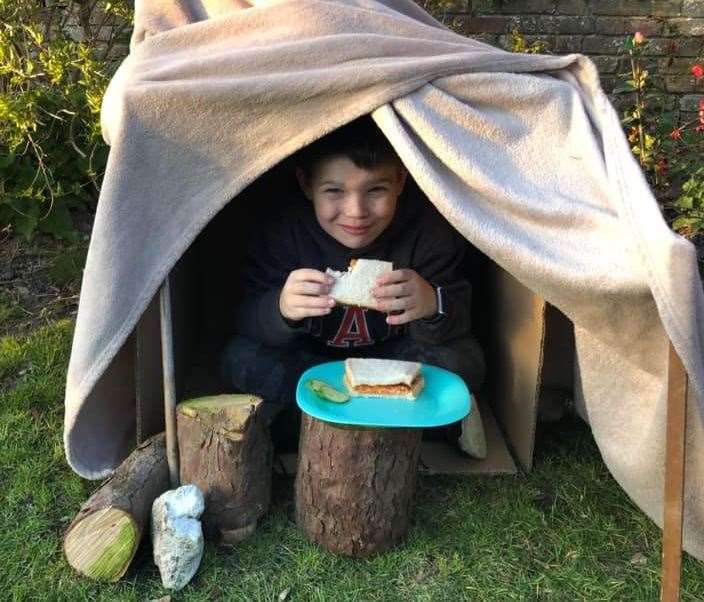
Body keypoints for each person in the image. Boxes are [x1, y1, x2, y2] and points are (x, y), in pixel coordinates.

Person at [220, 115, 485, 452]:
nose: (356, 211)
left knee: (464, 360)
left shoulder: (428, 232)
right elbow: (244, 317)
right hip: (313, 363)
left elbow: (461, 319)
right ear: (305, 184)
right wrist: (281, 309)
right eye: (334, 191)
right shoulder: (282, 231)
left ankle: (303, 426)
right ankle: (412, 426)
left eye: (376, 190)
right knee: (239, 357)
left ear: (402, 180)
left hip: (396, 364)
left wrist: (432, 304)